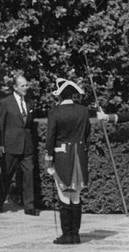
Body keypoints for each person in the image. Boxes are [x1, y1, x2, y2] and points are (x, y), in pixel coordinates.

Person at [45, 77, 109, 245]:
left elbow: (50, 138)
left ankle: (67, 235)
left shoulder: (54, 112)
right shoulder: (83, 111)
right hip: (80, 156)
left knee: (64, 195)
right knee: (76, 196)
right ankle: (75, 234)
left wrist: (49, 161)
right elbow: (87, 135)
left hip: (62, 156)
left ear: (59, 96)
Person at [0, 73, 38, 215]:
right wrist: (0, 144)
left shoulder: (30, 102)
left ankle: (29, 206)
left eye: (26, 85)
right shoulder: (5, 102)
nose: (26, 88)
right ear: (15, 87)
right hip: (10, 145)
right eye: (22, 85)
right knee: (6, 175)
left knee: (29, 175)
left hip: (27, 146)